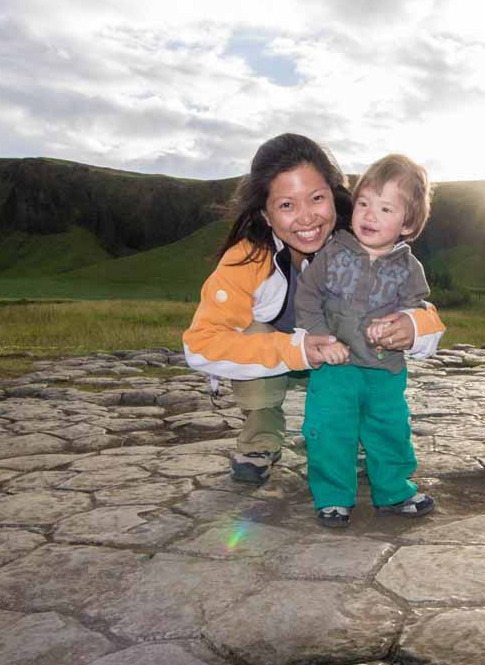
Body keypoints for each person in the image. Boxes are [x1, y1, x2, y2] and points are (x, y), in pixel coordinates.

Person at [183, 134, 445, 485]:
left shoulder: (359, 239)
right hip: (282, 356)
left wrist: (412, 326)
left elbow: (423, 308)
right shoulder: (245, 261)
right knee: (255, 331)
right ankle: (261, 440)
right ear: (266, 212)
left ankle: (358, 436)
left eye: (317, 198)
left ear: (335, 196)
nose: (306, 219)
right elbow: (200, 345)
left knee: (360, 342)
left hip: (346, 362)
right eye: (287, 205)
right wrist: (298, 349)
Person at [294, 153, 438, 527]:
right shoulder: (332, 252)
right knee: (328, 429)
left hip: (384, 370)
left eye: (385, 208)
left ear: (407, 224)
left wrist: (401, 327)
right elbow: (307, 297)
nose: (369, 215)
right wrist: (321, 338)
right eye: (363, 204)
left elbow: (417, 313)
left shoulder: (409, 269)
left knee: (389, 429)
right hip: (335, 367)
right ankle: (332, 497)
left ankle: (393, 492)